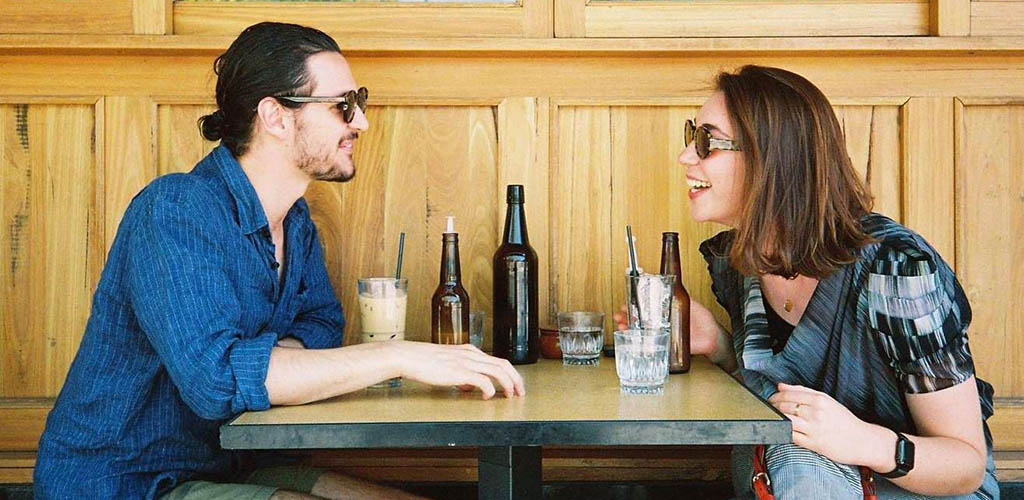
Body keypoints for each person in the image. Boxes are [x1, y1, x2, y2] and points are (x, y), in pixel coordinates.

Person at [34, 22, 525, 500]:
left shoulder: (294, 221)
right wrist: (399, 355)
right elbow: (217, 382)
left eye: (360, 101)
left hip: (237, 465)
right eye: (342, 106)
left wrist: (272, 363)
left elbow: (323, 324)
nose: (361, 121)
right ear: (275, 116)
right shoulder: (175, 211)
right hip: (127, 481)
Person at [616, 65, 998, 499]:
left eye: (706, 141)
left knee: (797, 453)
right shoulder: (739, 262)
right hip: (801, 480)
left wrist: (863, 441)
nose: (687, 156)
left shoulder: (897, 271)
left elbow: (966, 464)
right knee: (793, 451)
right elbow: (788, 395)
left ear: (773, 158)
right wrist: (719, 345)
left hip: (924, 490)